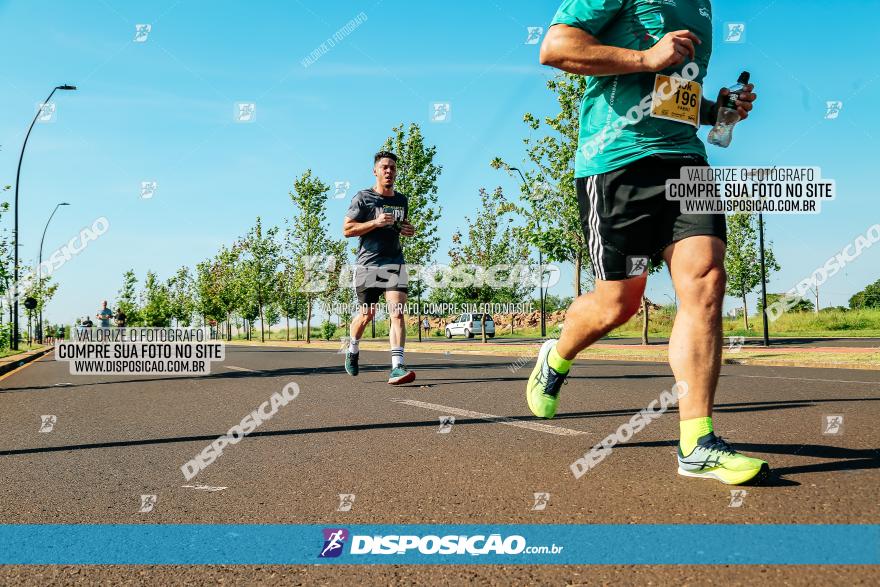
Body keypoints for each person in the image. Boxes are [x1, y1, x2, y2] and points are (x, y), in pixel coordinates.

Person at [529, 0, 766, 485]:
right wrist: (646, 58)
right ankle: (557, 355)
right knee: (618, 303)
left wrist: (717, 111)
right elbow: (555, 48)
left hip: (685, 158)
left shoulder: (701, 8)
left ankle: (697, 442)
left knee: (706, 280)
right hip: (617, 159)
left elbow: (667, 95)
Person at [342, 151, 416, 385]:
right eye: (384, 167)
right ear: (375, 171)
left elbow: (399, 227)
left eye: (393, 167)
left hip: (394, 262)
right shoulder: (363, 198)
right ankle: (353, 349)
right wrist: (375, 222)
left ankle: (397, 367)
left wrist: (407, 230)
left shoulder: (401, 200)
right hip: (368, 264)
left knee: (397, 312)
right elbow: (347, 230)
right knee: (367, 315)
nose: (389, 171)